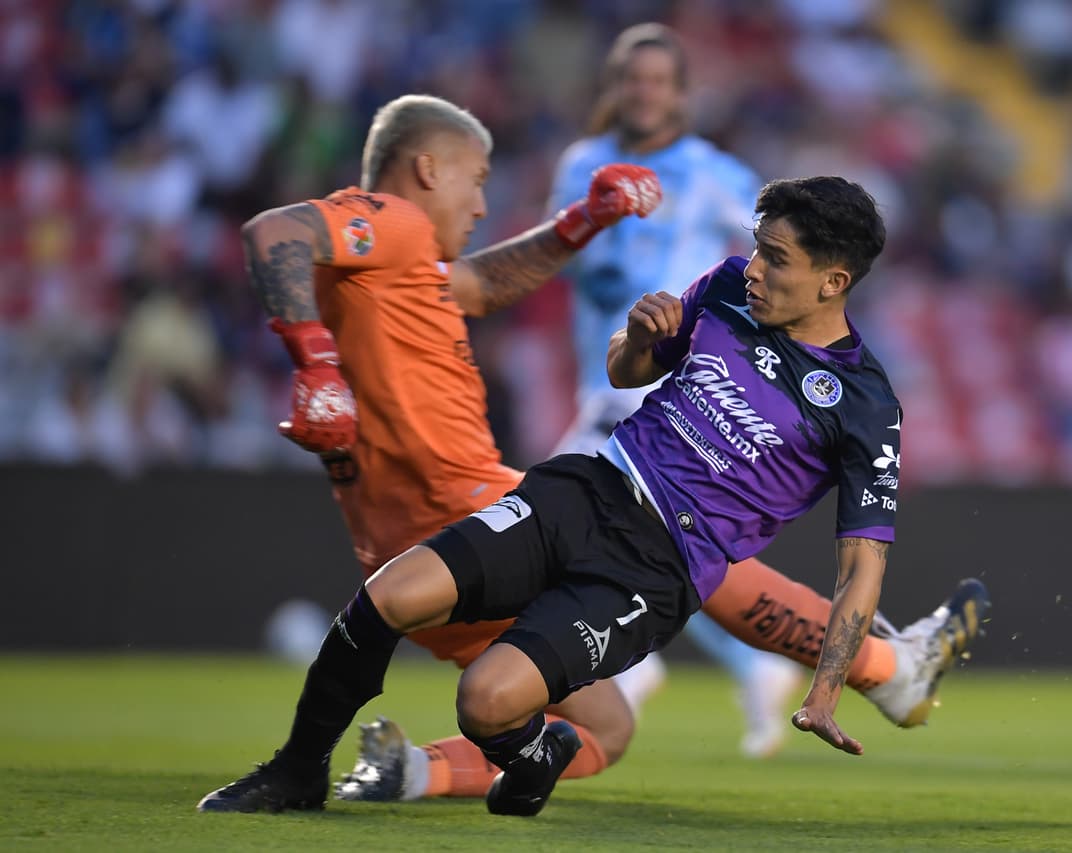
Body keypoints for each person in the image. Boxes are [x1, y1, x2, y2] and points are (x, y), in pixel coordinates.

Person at [198, 174, 972, 818]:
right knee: (391, 594)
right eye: (757, 247)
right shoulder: (731, 288)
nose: (755, 267)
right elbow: (624, 372)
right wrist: (639, 337)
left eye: (777, 258)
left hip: (655, 569)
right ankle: (298, 770)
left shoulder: (866, 405)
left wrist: (827, 689)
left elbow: (862, 564)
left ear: (834, 281)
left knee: (486, 699)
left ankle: (537, 752)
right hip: (589, 486)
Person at [545, 21, 798, 756]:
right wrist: (598, 220)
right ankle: (748, 659)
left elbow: (778, 249)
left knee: (550, 514)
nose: (644, 92)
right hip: (606, 369)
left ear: (680, 94)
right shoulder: (584, 163)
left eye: (659, 80)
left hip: (662, 385)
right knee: (666, 545)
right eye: (633, 78)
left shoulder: (711, 171)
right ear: (615, 87)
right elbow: (559, 251)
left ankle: (634, 667)